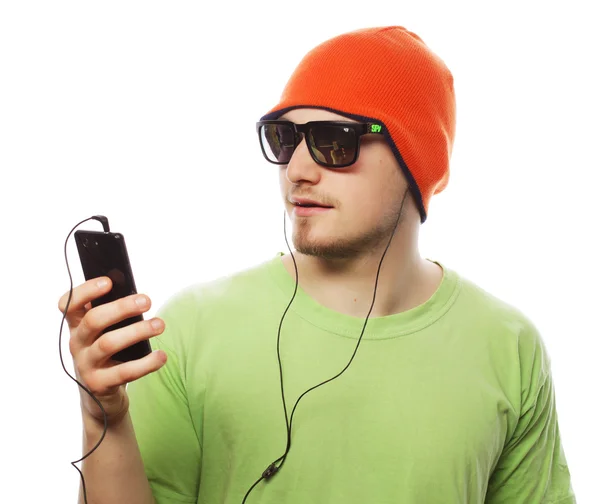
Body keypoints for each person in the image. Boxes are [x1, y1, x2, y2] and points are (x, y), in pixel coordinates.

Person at [58, 26, 577, 504]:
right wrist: (103, 414)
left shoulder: (509, 346)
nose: (298, 171)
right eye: (285, 139)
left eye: (335, 141)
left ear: (417, 160)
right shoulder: (191, 328)